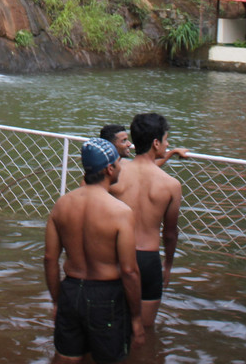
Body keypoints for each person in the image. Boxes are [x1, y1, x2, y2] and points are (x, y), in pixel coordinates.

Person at [44, 138, 145, 363]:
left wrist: (56, 301)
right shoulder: (120, 212)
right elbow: (129, 271)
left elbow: (50, 258)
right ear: (109, 169)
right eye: (118, 163)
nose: (120, 167)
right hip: (106, 295)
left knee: (66, 357)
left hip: (70, 289)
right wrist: (137, 319)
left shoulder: (62, 204)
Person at [109, 113, 183, 329]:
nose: (168, 144)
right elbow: (170, 233)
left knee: (110, 325)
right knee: (144, 330)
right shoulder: (171, 185)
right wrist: (167, 265)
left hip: (116, 255)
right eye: (166, 139)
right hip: (148, 261)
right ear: (156, 143)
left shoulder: (115, 174)